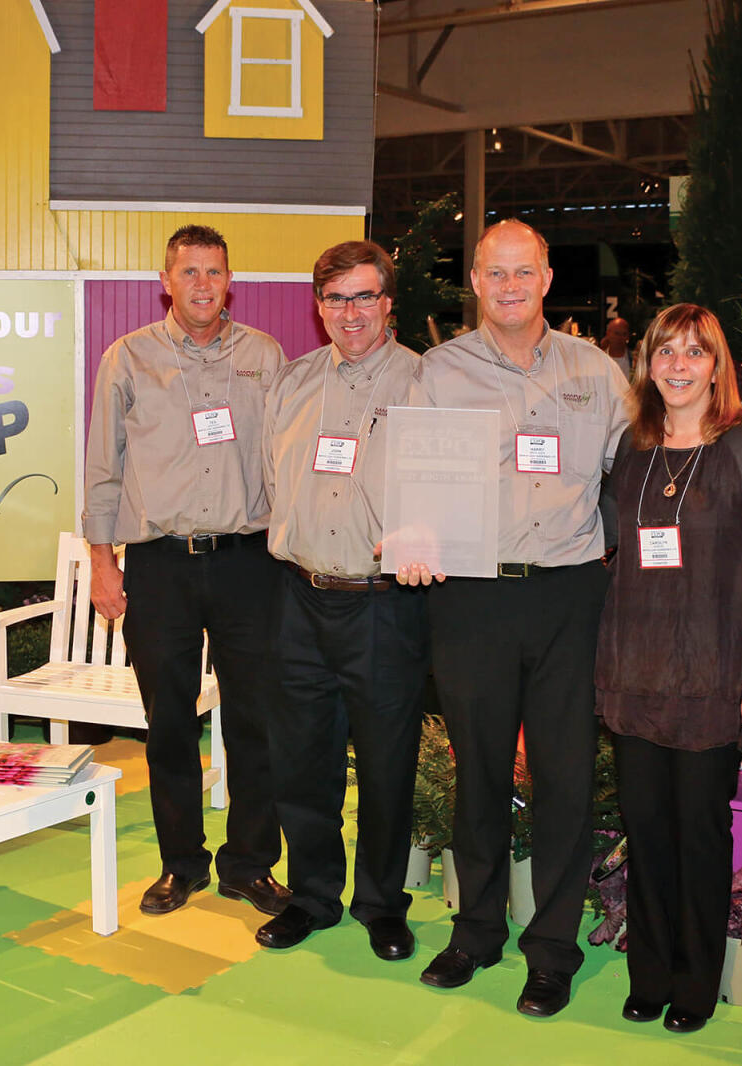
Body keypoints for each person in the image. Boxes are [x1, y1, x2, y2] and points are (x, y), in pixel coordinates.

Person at [397, 219, 631, 1017]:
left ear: (546, 278)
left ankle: (553, 950)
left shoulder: (596, 372)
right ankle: (474, 933)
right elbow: (411, 481)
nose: (508, 286)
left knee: (566, 777)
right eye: (494, 273)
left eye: (522, 272)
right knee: (479, 774)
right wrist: (412, 535)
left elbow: (631, 473)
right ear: (474, 280)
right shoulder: (437, 372)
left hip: (568, 594)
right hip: (472, 596)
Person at [594, 304, 742, 1034]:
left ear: (716, 365)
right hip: (635, 674)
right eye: (664, 353)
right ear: (647, 364)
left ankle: (694, 984)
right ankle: (646, 974)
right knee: (644, 831)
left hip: (715, 679)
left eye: (693, 353)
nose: (678, 367)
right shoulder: (634, 447)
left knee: (700, 834)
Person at [83, 224, 289, 919]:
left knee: (255, 720)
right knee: (167, 722)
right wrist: (103, 565)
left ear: (231, 280)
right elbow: (102, 471)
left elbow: (285, 467)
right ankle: (181, 864)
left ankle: (250, 864)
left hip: (247, 565)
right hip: (160, 566)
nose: (203, 283)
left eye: (215, 271)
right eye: (189, 271)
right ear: (165, 281)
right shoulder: (128, 359)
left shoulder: (265, 358)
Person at [255, 240, 428, 960]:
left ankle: (382, 903)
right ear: (317, 306)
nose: (349, 313)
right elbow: (271, 481)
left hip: (384, 604)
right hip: (298, 595)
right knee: (301, 761)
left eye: (363, 296)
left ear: (388, 302)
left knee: (387, 763)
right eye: (335, 299)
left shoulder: (427, 382)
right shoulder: (291, 384)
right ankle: (315, 895)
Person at [601, 316, 633, 380]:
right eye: (616, 333)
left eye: (624, 334)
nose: (620, 338)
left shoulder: (635, 362)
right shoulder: (599, 360)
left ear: (628, 337)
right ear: (608, 334)